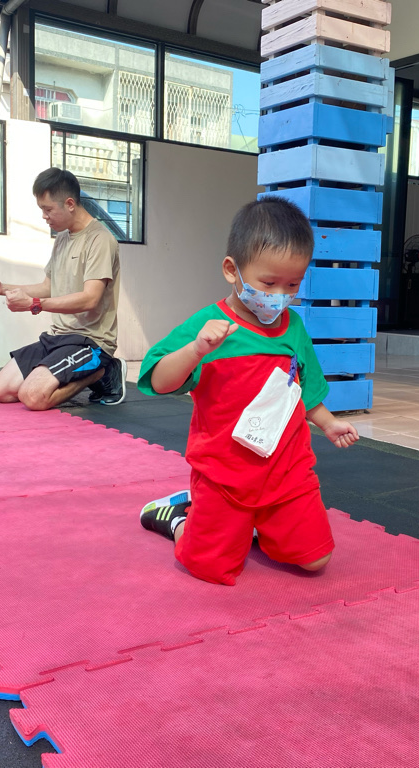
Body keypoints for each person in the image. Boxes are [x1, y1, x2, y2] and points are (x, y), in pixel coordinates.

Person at [137, 197, 360, 586]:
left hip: (286, 471)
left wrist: (328, 423)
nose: (280, 294)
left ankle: (256, 525)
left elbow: (305, 387)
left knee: (316, 559)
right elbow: (158, 380)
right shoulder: (208, 325)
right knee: (209, 568)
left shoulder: (293, 327)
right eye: (269, 283)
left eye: (293, 284)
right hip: (225, 473)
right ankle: (178, 518)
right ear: (232, 270)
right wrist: (195, 351)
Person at [0, 167, 125, 411]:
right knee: (1, 390)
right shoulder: (62, 239)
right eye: (42, 210)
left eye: (48, 209)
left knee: (33, 397)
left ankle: (103, 370)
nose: (44, 217)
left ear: (70, 204)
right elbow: (48, 287)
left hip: (90, 341)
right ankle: (74, 372)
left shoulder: (100, 239)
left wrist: (34, 305)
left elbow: (90, 299)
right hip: (58, 337)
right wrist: (2, 288)